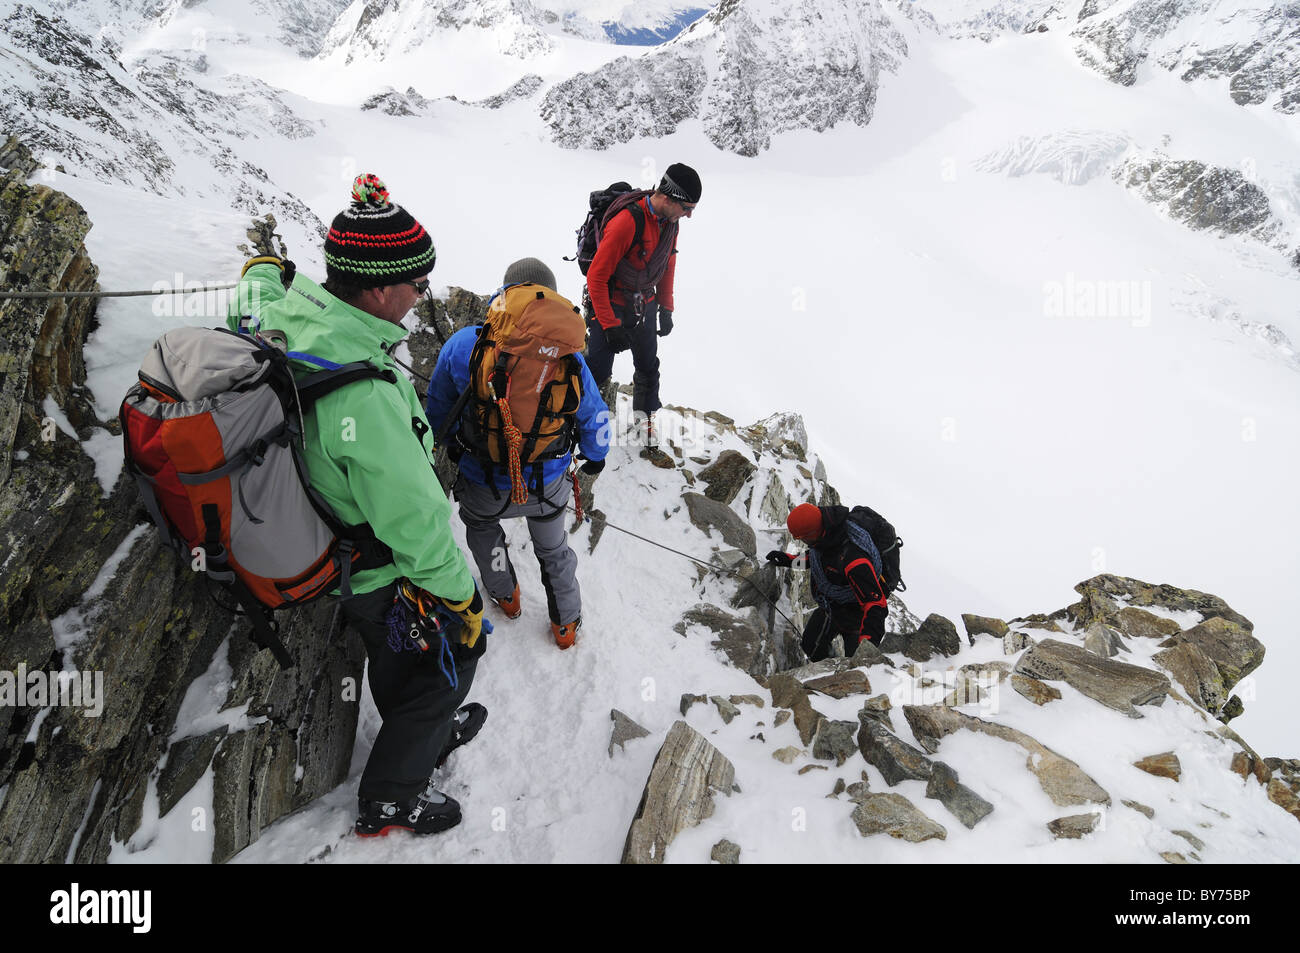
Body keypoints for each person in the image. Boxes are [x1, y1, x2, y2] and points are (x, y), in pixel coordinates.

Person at [227, 173, 486, 838]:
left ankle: (418, 735)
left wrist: (259, 269)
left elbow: (251, 301)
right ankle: (392, 795)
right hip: (374, 567)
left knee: (403, 658)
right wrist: (462, 598)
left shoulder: (291, 314)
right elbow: (416, 518)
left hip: (327, 534)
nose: (421, 294)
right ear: (377, 288)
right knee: (451, 651)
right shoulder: (364, 397)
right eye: (416, 283)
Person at [425, 257, 610, 649]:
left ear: (506, 293)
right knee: (553, 548)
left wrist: (457, 444)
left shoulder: (466, 344)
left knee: (482, 531)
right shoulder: (569, 357)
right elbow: (595, 417)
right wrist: (596, 455)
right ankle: (566, 625)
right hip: (547, 484)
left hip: (483, 481)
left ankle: (506, 596)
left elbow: (438, 414)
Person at [583, 162, 701, 446]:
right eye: (687, 208)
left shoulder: (670, 224)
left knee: (648, 367)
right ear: (669, 198)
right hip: (609, 302)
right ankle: (582, 425)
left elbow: (667, 262)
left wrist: (666, 306)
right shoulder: (627, 222)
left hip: (643, 304)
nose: (689, 215)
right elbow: (596, 277)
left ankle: (644, 422)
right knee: (597, 370)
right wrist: (610, 325)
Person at [766, 502, 889, 662]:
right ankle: (829, 670)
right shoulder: (826, 535)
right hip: (832, 608)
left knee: (857, 666)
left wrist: (867, 646)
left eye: (803, 538)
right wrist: (788, 560)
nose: (802, 541)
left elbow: (876, 604)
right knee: (810, 646)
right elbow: (818, 558)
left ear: (812, 533)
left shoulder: (854, 559)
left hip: (857, 619)